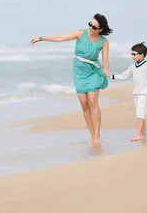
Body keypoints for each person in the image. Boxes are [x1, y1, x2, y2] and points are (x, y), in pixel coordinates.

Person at [31, 13, 112, 143]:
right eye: (90, 24)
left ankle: (97, 136)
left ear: (101, 29)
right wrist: (41, 38)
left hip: (93, 72)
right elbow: (59, 38)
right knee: (84, 105)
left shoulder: (104, 41)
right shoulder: (80, 33)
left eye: (94, 27)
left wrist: (106, 69)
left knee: (93, 102)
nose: (91, 28)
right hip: (79, 72)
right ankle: (92, 135)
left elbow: (106, 60)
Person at [106, 42, 147, 141]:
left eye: (135, 54)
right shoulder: (133, 66)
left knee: (140, 112)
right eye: (132, 54)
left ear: (142, 55)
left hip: (144, 92)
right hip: (137, 92)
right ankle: (143, 133)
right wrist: (111, 76)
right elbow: (124, 75)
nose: (132, 56)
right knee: (141, 112)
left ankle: (138, 134)